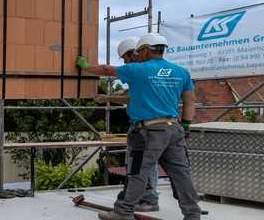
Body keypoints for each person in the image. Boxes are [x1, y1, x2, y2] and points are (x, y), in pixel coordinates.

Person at [77, 33, 200, 220]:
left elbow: (106, 69)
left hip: (148, 132)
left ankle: (122, 212)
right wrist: (186, 125)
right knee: (181, 174)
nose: (137, 54)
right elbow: (190, 101)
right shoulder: (181, 72)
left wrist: (86, 67)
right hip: (174, 130)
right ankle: (193, 215)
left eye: (139, 51)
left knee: (137, 172)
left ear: (146, 50)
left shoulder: (139, 70)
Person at [94, 37, 160, 212]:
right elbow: (129, 92)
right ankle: (135, 194)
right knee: (136, 162)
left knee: (142, 162)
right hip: (148, 125)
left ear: (133, 54)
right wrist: (111, 96)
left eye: (125, 58)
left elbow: (128, 95)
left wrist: (87, 69)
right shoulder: (147, 70)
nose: (124, 62)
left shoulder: (141, 70)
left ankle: (149, 198)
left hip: (148, 125)